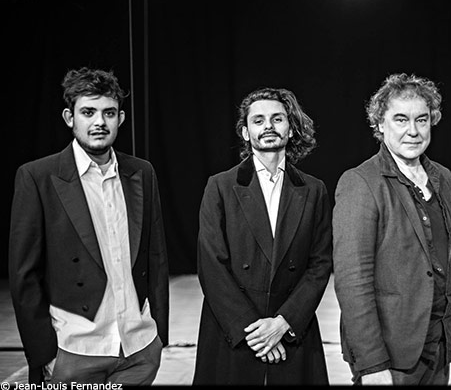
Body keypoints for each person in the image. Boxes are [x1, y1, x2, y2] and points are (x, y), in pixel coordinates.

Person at [8, 67, 169, 385]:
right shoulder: (38, 177)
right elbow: (24, 275)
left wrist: (158, 335)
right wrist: (45, 355)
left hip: (139, 348)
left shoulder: (141, 172)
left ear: (120, 118)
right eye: (88, 112)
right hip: (74, 349)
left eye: (109, 113)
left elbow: (156, 257)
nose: (99, 122)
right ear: (70, 117)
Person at [192, 87, 332, 385]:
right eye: (258, 120)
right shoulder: (220, 186)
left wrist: (282, 324)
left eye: (277, 119)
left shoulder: (314, 190)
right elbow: (211, 264)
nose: (268, 126)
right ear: (246, 132)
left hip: (292, 330)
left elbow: (320, 264)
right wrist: (255, 333)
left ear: (290, 129)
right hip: (234, 331)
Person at [333, 73, 451, 385]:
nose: (413, 131)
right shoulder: (360, 182)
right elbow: (352, 282)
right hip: (390, 356)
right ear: (380, 124)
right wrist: (372, 364)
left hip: (439, 346)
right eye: (401, 119)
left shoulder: (443, 178)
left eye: (422, 120)